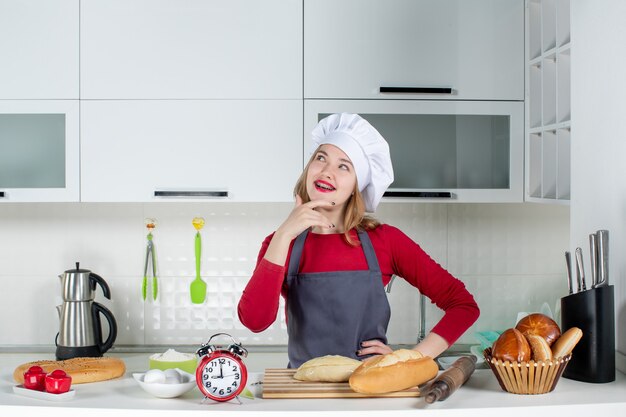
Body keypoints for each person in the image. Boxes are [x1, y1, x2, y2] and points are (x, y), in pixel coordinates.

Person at [237, 113, 479, 368]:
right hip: (304, 392)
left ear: (356, 185)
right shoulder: (280, 243)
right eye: (321, 158)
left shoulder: (385, 240)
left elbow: (463, 305)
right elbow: (255, 321)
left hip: (370, 391)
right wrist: (285, 233)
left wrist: (411, 359)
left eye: (344, 166)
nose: (327, 171)